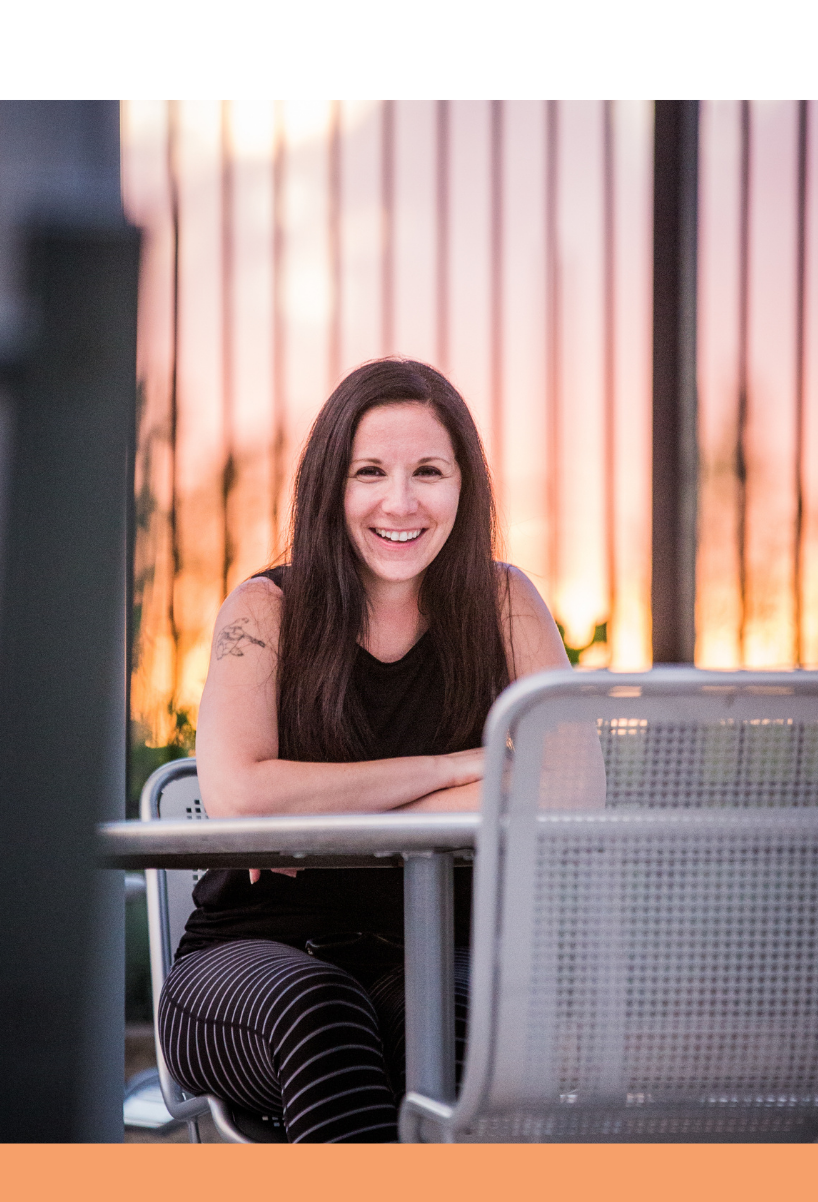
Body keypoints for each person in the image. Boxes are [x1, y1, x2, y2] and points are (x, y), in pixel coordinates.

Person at [157, 357, 572, 1141]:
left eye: (429, 471)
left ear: (464, 486)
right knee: (322, 1013)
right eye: (369, 472)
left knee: (463, 1020)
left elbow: (571, 789)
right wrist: (458, 767)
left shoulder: (505, 603)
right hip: (250, 959)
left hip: (436, 951)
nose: (400, 501)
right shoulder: (265, 610)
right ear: (328, 487)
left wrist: (317, 802)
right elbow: (242, 796)